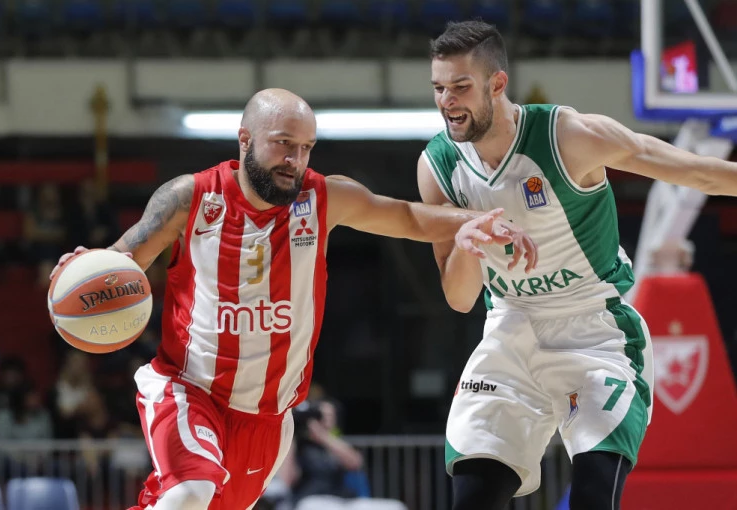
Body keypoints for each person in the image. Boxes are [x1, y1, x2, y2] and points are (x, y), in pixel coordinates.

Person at [50, 88, 537, 510]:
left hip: (268, 419)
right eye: (283, 144)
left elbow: (407, 216)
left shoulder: (323, 198)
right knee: (189, 493)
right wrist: (86, 269)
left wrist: (472, 223)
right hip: (190, 390)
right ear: (245, 139)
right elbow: (121, 264)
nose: (295, 160)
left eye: (305, 148)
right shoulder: (189, 198)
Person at [417, 20, 737, 510]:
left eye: (460, 87)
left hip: (593, 326)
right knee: (474, 497)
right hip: (510, 327)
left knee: (592, 495)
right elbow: (460, 299)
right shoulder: (438, 166)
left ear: (497, 83)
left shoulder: (568, 135)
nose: (447, 101)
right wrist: (468, 240)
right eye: (439, 88)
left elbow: (692, 170)